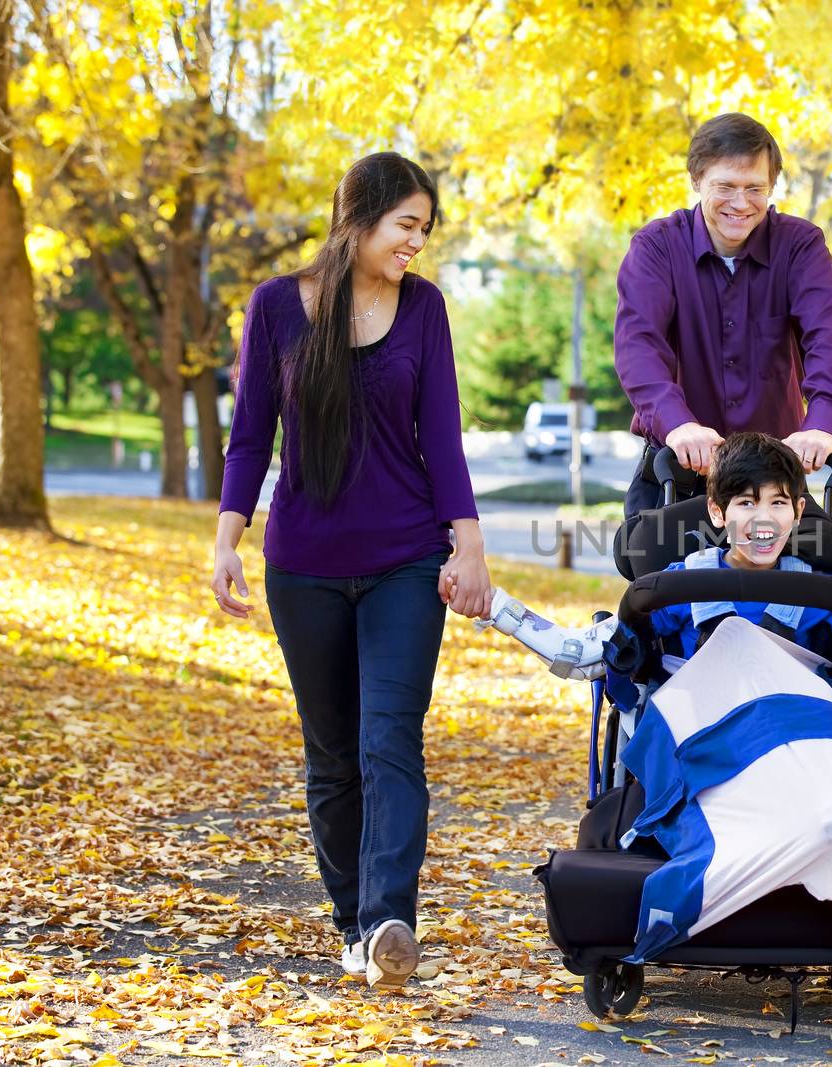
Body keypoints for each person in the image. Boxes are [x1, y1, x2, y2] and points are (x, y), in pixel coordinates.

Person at [480, 433, 832, 960]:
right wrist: (496, 607)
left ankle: (775, 855)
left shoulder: (825, 597)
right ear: (717, 512)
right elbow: (585, 653)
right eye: (746, 502)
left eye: (778, 503)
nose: (762, 519)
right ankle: (754, 857)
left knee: (827, 744)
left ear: (798, 512)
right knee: (731, 653)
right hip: (705, 750)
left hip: (795, 748)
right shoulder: (672, 587)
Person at [209, 152, 491, 991]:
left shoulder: (424, 309)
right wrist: (226, 538)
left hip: (407, 557)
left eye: (424, 230)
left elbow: (441, 433)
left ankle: (389, 919)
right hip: (304, 565)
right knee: (332, 756)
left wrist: (466, 542)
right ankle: (352, 921)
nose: (416, 242)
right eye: (407, 224)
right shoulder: (275, 308)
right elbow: (251, 435)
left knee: (389, 740)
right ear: (359, 216)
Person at [614, 113, 832, 517]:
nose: (741, 203)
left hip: (774, 478)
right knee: (657, 574)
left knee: (823, 570)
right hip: (678, 471)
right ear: (696, 180)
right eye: (725, 187)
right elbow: (638, 346)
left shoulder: (800, 247)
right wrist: (679, 425)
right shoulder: (656, 248)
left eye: (754, 189)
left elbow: (830, 339)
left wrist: (822, 424)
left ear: (772, 186)